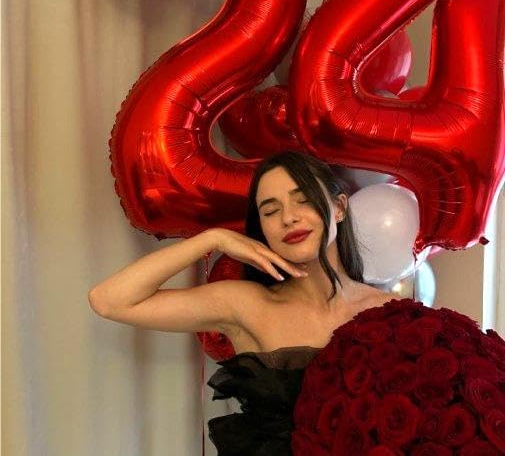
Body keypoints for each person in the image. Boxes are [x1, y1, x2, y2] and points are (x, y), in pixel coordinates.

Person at [88, 150, 395, 455]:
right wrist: (213, 239)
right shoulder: (244, 304)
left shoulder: (390, 311)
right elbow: (109, 300)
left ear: (339, 207)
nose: (288, 218)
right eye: (270, 211)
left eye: (303, 200)